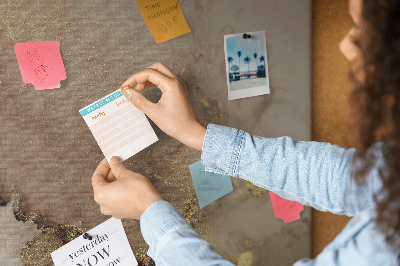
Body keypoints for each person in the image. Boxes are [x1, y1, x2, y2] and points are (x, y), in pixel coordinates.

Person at [91, 0, 400, 264]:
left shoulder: (385, 248)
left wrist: (149, 211)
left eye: (363, 32)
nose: (345, 47)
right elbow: (344, 179)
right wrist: (196, 134)